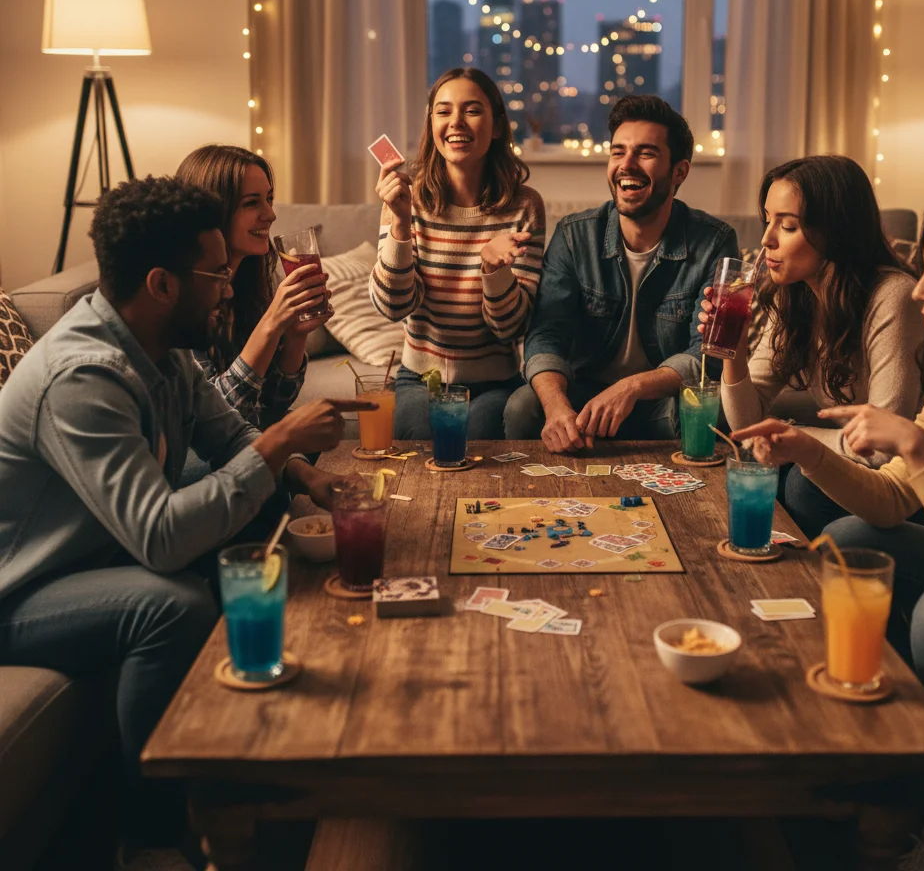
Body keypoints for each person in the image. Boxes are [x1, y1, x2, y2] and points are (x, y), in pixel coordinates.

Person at [0, 177, 373, 871]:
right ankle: (150, 835)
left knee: (256, 493)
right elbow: (161, 539)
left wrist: (306, 475)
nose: (231, 286)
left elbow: (228, 437)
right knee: (168, 606)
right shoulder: (84, 376)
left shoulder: (161, 345)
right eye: (217, 272)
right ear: (161, 284)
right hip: (20, 591)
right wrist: (280, 442)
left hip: (90, 557)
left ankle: (258, 741)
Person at [733, 187, 924, 871]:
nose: (918, 289)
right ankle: (885, 753)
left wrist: (918, 451)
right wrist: (804, 451)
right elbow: (891, 504)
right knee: (858, 545)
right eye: (922, 269)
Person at [700, 154, 924, 537]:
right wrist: (734, 355)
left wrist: (796, 441)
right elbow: (746, 425)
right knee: (755, 466)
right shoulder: (794, 295)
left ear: (835, 231)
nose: (767, 239)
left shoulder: (893, 296)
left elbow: (885, 448)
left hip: (910, 485)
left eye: (787, 225)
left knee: (800, 484)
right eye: (767, 220)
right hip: (855, 462)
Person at [503, 94, 737, 452]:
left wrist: (630, 388)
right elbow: (547, 334)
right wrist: (556, 407)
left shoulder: (714, 242)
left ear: (679, 171)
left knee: (709, 411)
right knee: (523, 407)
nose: (626, 164)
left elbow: (708, 353)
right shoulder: (574, 235)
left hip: (661, 403)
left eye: (645, 153)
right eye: (617, 151)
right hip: (585, 402)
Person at [369, 67, 545, 439]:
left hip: (495, 383)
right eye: (444, 111)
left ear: (497, 126)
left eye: (472, 110)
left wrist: (493, 269)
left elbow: (511, 328)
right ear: (431, 124)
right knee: (417, 437)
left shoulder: (524, 207)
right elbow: (391, 307)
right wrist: (401, 225)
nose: (456, 122)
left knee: (478, 438)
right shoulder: (405, 200)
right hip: (418, 378)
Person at [177, 144, 330, 428]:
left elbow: (273, 404)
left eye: (269, 199)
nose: (270, 214)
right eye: (251, 203)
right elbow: (212, 421)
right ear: (213, 211)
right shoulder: (179, 298)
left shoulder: (247, 282)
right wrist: (272, 323)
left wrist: (296, 336)